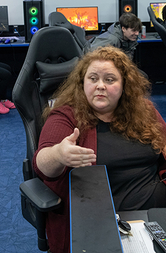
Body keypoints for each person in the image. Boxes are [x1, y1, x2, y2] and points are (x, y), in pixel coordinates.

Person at [33, 46, 166, 253]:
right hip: (103, 218)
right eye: (93, 78)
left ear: (124, 86)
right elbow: (42, 164)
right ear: (82, 83)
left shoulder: (144, 111)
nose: (100, 86)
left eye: (110, 80)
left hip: (156, 211)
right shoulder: (66, 115)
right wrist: (60, 153)